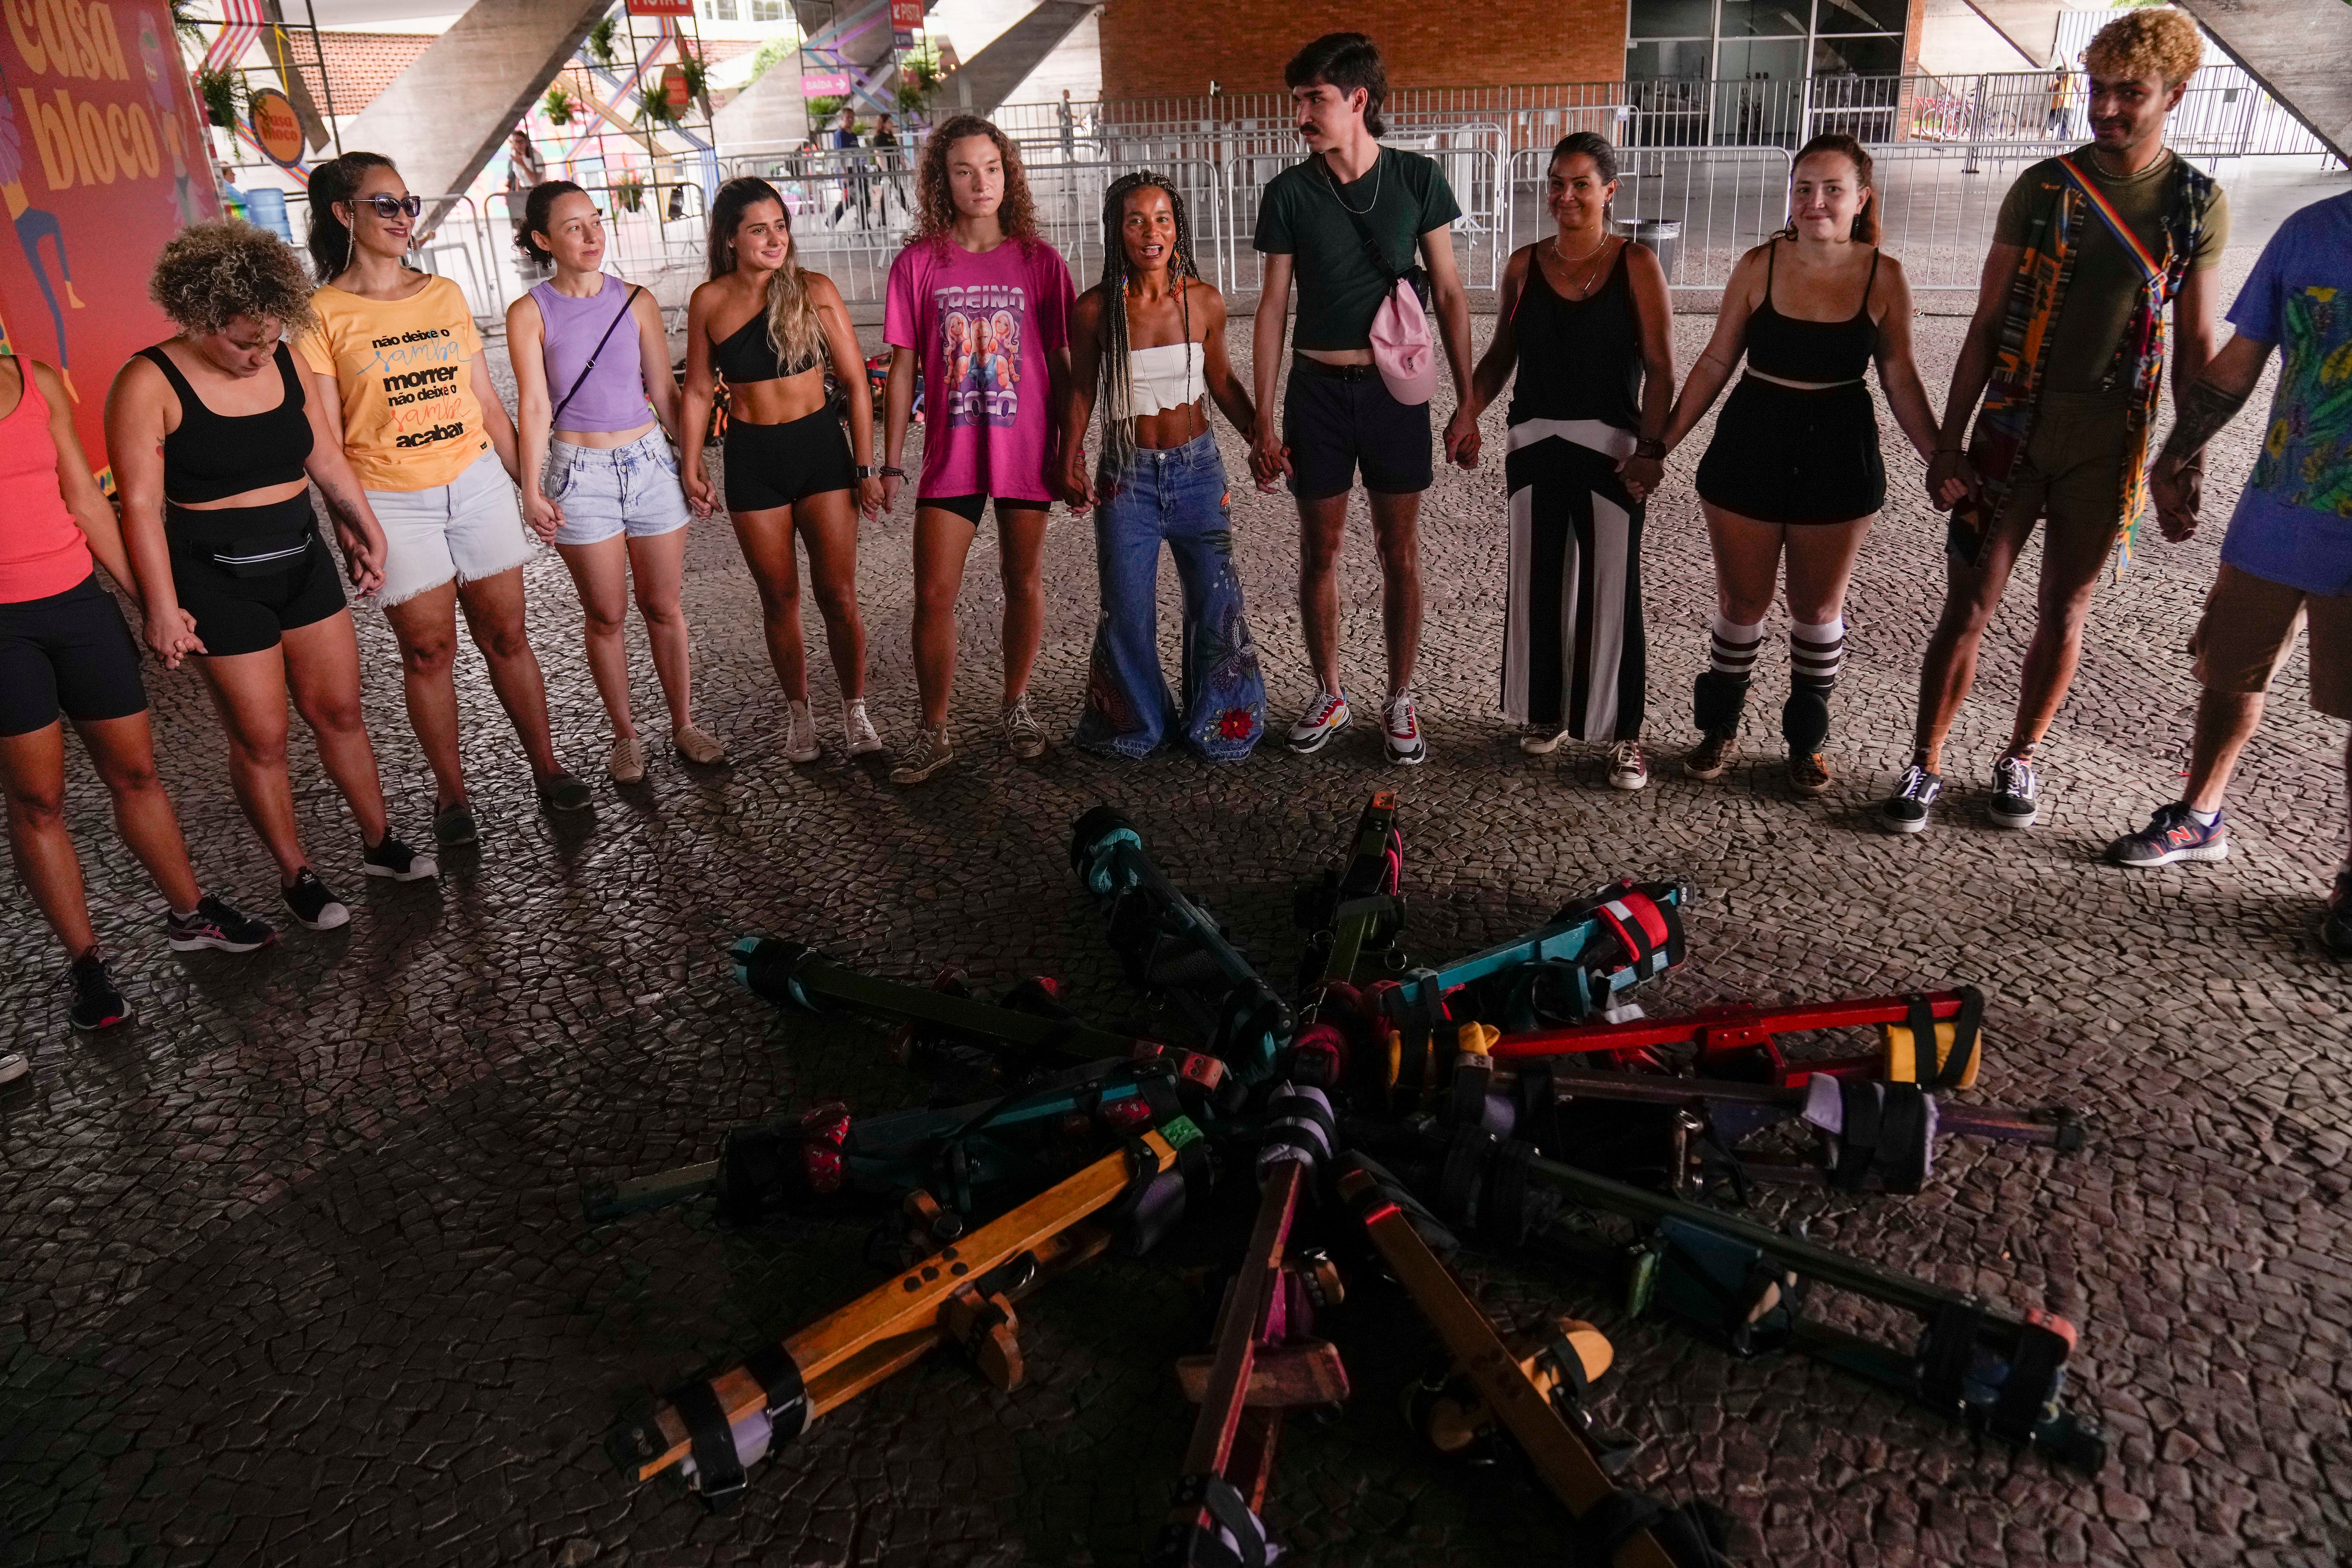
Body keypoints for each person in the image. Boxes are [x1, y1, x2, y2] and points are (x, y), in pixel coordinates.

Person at [1884, 8, 2227, 834]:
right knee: (1967, 604)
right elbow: (1985, 323)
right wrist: (1947, 442)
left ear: (2175, 94)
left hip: (2110, 449)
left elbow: (2198, 346)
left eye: (2130, 94)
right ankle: (1924, 762)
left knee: (2066, 611)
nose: (2106, 110)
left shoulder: (2195, 203)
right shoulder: (2044, 187)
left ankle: (2021, 756)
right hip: (2011, 433)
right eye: (2098, 90)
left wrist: (2186, 458)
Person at [107, 222, 437, 932]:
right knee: (262, 738)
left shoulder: (284, 361)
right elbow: (137, 506)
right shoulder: (146, 380)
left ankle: (379, 841)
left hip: (302, 557)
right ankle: (297, 872)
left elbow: (324, 458)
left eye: (269, 336)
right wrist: (161, 609)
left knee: (341, 712)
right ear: (197, 317)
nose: (259, 353)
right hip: (216, 577)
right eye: (241, 341)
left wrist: (362, 524)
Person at [299, 152, 593, 847]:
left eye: (408, 202)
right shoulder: (323, 313)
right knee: (428, 651)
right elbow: (327, 437)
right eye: (386, 205)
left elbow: (487, 403)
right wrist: (352, 522)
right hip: (392, 501)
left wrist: (529, 484)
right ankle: (451, 792)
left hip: (477, 482)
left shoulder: (444, 293)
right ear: (344, 215)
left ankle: (547, 766)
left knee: (508, 636)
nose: (405, 217)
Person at [1657, 133, 1947, 797]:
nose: (1816, 202)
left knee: (1817, 607)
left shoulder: (1884, 275)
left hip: (1839, 446)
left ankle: (1806, 740)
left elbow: (1901, 377)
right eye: (1804, 189)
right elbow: (1714, 362)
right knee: (1742, 600)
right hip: (1752, 437)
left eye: (1832, 189)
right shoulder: (1759, 264)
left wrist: (1940, 456)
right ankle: (1719, 728)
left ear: (1862, 198)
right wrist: (1661, 445)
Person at [2102, 190, 2352, 954]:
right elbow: (2239, 362)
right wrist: (2177, 453)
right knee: (2228, 672)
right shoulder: (2309, 233)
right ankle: (2200, 813)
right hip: (2278, 511)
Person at [1, 351, 274, 1031]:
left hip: (77, 606)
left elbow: (87, 501)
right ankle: (87, 962)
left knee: (137, 771)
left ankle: (191, 913)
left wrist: (155, 603)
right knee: (38, 799)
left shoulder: (32, 381)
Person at [1251, 32, 1477, 765]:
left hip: (1393, 393)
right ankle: (1329, 689)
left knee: (1398, 551)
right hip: (1315, 391)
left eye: (1313, 99)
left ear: (1358, 100)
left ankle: (1400, 697)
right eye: (1296, 102)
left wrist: (1469, 401)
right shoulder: (1289, 191)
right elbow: (1272, 305)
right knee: (1320, 550)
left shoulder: (1417, 179)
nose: (1301, 116)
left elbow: (1447, 291)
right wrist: (1259, 414)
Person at [1462, 132, 1676, 791]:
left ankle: (1625, 735)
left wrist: (1651, 450)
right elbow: (1502, 354)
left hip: (1612, 450)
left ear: (1609, 192)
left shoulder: (1636, 263)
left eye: (1581, 184)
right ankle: (1546, 711)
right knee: (1539, 580)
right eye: (1557, 183)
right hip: (1532, 442)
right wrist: (1466, 411)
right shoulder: (1525, 264)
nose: (1566, 196)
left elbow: (1663, 368)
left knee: (1613, 589)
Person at [508, 182, 727, 785]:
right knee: (605, 615)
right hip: (581, 476)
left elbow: (666, 391)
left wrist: (690, 462)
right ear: (542, 240)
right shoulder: (531, 312)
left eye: (596, 222)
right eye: (573, 227)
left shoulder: (636, 300)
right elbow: (532, 407)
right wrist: (531, 489)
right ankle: (626, 737)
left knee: (664, 606)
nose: (592, 235)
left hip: (650, 465)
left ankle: (684, 723)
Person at [878, 116, 1075, 785]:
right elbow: (902, 368)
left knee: (1022, 582)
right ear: (943, 181)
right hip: (951, 454)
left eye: (990, 168)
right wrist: (890, 460)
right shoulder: (918, 264)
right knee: (934, 594)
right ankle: (933, 730)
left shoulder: (1040, 262)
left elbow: (1065, 364)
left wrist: (1072, 451)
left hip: (1025, 452)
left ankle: (1015, 706)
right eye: (963, 170)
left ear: (1008, 172)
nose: (980, 182)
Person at [1059, 172, 1266, 761]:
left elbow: (1221, 381)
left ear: (1178, 228)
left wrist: (1260, 436)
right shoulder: (1096, 309)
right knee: (1126, 607)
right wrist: (1068, 455)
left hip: (1200, 471)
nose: (1151, 232)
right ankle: (1137, 726)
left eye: (1162, 220)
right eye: (1136, 220)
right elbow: (1081, 391)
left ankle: (1221, 723)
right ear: (1116, 231)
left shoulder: (1202, 301)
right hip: (1125, 477)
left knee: (1217, 602)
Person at [682, 176, 886, 765]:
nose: (775, 239)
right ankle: (800, 717)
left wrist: (867, 466)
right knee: (779, 598)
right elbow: (697, 391)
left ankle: (856, 711)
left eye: (780, 225)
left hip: (821, 453)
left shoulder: (813, 290)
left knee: (839, 595)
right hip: (753, 461)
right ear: (730, 240)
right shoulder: (710, 302)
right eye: (758, 229)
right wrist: (690, 463)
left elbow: (856, 383)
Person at [830, 103, 870, 230]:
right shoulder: (840, 135)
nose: (851, 120)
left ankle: (864, 223)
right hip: (848, 172)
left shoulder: (853, 135)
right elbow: (840, 155)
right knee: (851, 198)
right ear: (843, 119)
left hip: (857, 170)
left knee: (861, 197)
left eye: (853, 118)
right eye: (848, 118)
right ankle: (831, 222)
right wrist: (844, 174)